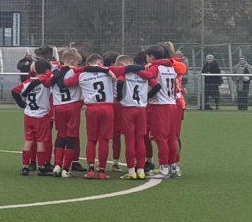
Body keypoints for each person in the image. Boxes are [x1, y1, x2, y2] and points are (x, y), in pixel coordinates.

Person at [144, 44, 187, 178]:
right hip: (172, 105)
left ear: (151, 57)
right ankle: (173, 166)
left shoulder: (155, 67)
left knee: (160, 138)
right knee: (171, 138)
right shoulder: (172, 67)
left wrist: (137, 71)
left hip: (160, 106)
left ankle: (164, 169)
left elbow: (148, 75)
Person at [11, 50, 55, 175]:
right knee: (41, 141)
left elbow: (14, 91)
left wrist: (21, 104)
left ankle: (25, 167)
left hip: (28, 114)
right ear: (47, 71)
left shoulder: (26, 83)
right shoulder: (46, 83)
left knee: (28, 141)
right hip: (42, 115)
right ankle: (41, 167)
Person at [110, 52, 151, 180]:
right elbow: (156, 85)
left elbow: (120, 83)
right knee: (140, 140)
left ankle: (131, 171)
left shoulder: (123, 74)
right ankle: (141, 170)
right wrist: (146, 98)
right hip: (141, 109)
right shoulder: (144, 74)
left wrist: (120, 98)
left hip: (127, 109)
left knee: (129, 140)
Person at [46, 47, 85, 176]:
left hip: (58, 107)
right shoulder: (77, 72)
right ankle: (66, 169)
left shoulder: (55, 73)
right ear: (73, 61)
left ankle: (57, 165)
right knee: (71, 137)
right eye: (77, 62)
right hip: (72, 106)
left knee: (61, 136)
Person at [78, 54, 117, 179]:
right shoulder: (108, 72)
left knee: (91, 139)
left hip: (92, 108)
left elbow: (72, 87)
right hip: (107, 107)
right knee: (104, 140)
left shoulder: (82, 75)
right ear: (100, 63)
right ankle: (102, 171)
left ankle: (90, 170)